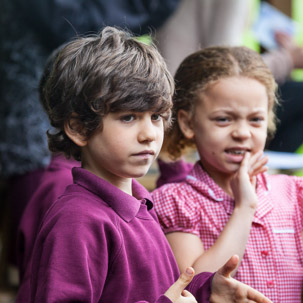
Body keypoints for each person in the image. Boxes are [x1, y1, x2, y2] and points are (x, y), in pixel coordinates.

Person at [17, 26, 273, 303]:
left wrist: (207, 290)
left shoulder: (141, 203)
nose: (149, 134)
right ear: (79, 128)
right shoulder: (78, 220)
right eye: (128, 117)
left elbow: (160, 292)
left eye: (156, 116)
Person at [152, 46, 303, 302]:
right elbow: (194, 287)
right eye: (223, 119)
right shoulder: (175, 201)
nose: (242, 132)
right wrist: (245, 207)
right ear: (188, 123)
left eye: (255, 119)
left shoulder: (294, 193)